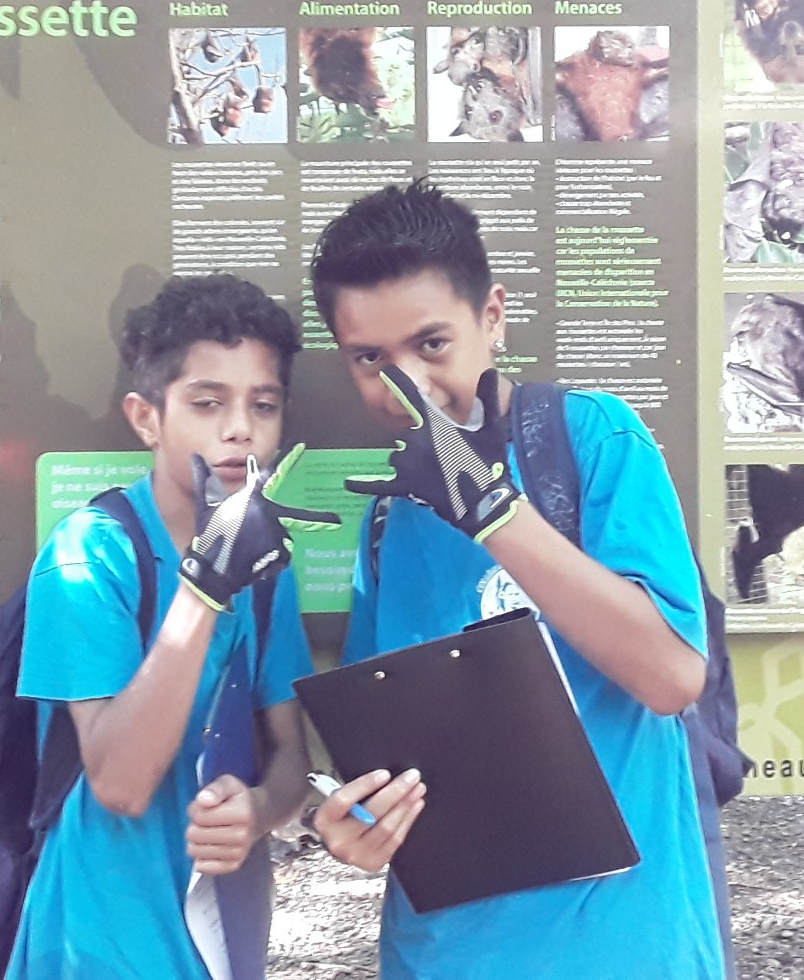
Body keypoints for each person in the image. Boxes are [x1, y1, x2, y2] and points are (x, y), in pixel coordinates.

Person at [305, 180, 724, 978]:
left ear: (492, 317)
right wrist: (352, 821)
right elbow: (382, 746)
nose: (407, 384)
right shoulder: (388, 520)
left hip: (620, 945)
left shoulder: (591, 437)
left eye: (432, 344)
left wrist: (492, 509)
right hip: (442, 952)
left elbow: (672, 676)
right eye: (371, 358)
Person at [7, 273, 330, 979]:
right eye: (207, 402)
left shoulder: (268, 569)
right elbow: (121, 783)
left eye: (264, 404)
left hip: (220, 940)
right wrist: (206, 585)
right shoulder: (89, 554)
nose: (239, 428)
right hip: (100, 942)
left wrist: (258, 809)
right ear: (147, 417)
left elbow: (289, 755)